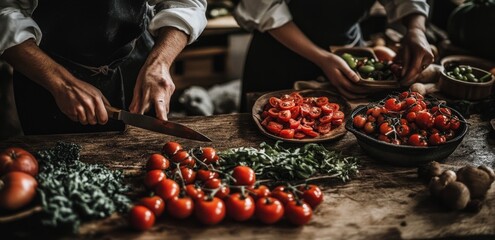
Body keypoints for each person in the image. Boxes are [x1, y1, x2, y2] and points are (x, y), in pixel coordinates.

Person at [0, 0, 207, 135]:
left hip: (136, 65)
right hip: (45, 76)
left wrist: (159, 62)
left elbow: (185, 3)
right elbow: (4, 13)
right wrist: (62, 83)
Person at [233, 0, 434, 111]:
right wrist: (321, 58)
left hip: (348, 47)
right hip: (280, 54)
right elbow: (261, 6)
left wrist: (416, 28)